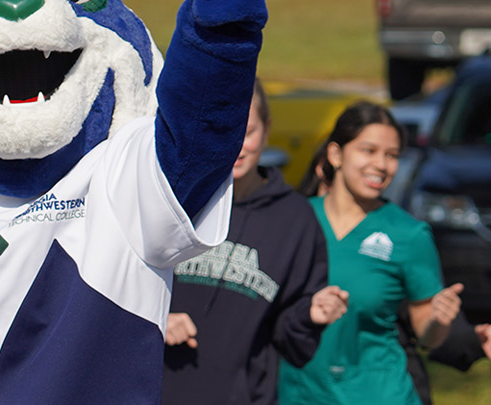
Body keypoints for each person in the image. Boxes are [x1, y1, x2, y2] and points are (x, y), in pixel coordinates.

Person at [162, 81, 349, 405]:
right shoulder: (172, 197)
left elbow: (292, 341)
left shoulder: (295, 219)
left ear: (266, 130)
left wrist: (310, 315)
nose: (236, 144)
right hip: (154, 389)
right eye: (224, 130)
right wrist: (157, 317)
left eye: (247, 132)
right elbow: (120, 283)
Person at [279, 101, 463, 405]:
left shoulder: (409, 234)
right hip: (297, 395)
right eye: (369, 150)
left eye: (392, 155)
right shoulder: (292, 219)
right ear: (336, 154)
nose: (382, 165)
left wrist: (438, 321)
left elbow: (427, 336)